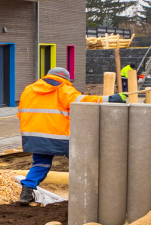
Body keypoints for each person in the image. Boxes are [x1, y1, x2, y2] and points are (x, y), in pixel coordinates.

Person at [17, 67, 109, 204]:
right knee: (79, 162)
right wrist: (109, 99)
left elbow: (20, 113)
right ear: (65, 79)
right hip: (61, 137)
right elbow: (84, 101)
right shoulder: (64, 89)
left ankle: (26, 193)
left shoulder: (29, 89)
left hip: (34, 136)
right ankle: (84, 196)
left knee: (41, 163)